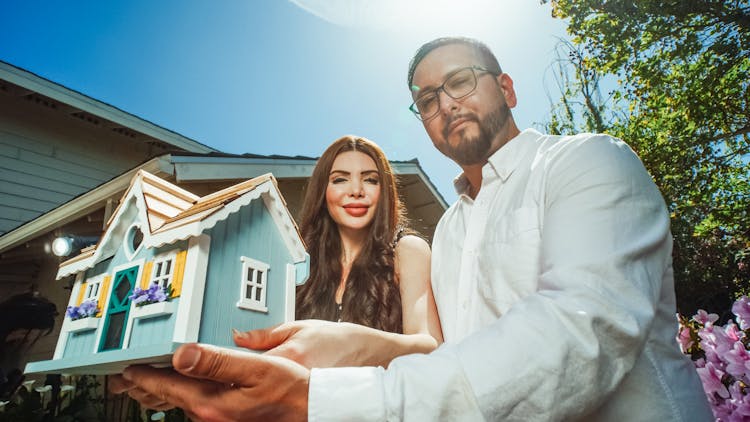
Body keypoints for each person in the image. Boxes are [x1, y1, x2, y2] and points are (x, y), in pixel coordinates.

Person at [110, 37, 713, 421]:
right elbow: (450, 359)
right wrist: (335, 351)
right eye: (426, 98)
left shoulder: (587, 162)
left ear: (506, 87)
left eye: (460, 81)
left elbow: (581, 332)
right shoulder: (451, 230)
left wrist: (322, 400)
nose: (444, 103)